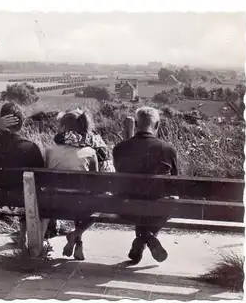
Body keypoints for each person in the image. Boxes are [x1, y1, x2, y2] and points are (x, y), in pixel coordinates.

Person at [0, 102, 57, 241]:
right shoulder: (31, 147)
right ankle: (34, 239)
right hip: (24, 203)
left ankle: (21, 235)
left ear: (2, 121)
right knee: (33, 193)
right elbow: (40, 180)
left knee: (22, 192)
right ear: (22, 123)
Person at [112, 106, 179, 265]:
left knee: (138, 200)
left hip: (125, 208)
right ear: (156, 126)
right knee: (165, 202)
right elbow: (175, 181)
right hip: (157, 209)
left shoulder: (119, 148)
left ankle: (142, 240)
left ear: (135, 124)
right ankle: (147, 237)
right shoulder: (168, 149)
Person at [45, 108, 113, 260]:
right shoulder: (91, 151)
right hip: (81, 204)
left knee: (78, 197)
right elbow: (97, 184)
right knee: (93, 201)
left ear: (63, 128)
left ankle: (75, 239)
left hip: (54, 204)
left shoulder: (50, 150)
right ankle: (76, 236)